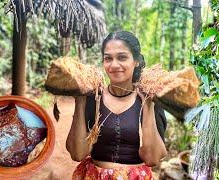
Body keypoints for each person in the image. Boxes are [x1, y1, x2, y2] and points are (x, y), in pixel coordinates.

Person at [66, 31, 167, 179]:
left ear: (136, 60)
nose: (114, 65)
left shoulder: (151, 98)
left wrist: (148, 105)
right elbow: (77, 153)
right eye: (108, 58)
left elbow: (152, 159)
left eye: (122, 57)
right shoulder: (93, 99)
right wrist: (80, 101)